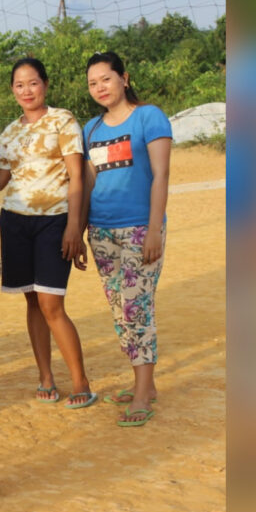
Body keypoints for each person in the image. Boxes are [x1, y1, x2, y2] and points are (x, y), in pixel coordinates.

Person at [0, 58, 95, 408]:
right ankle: (45, 376)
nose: (26, 91)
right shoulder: (9, 132)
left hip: (54, 220)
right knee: (32, 301)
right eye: (19, 85)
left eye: (32, 83)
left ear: (45, 85)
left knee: (52, 304)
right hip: (15, 221)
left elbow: (77, 177)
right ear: (12, 90)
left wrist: (74, 228)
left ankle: (81, 381)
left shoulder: (62, 120)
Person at [82, 51, 171, 427]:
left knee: (138, 306)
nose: (100, 87)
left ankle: (142, 391)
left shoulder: (150, 117)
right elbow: (87, 182)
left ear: (124, 78)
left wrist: (154, 230)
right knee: (119, 307)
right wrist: (80, 228)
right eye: (92, 83)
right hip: (100, 230)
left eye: (106, 78)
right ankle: (144, 384)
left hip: (139, 228)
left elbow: (161, 174)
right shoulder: (90, 129)